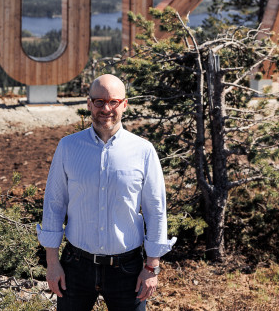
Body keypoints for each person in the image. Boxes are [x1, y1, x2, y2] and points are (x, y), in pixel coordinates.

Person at [37, 74, 176, 310]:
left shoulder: (143, 151)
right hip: (75, 266)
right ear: (89, 104)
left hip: (127, 270)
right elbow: (54, 204)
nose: (106, 108)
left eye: (113, 101)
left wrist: (151, 266)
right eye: (99, 102)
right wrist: (52, 262)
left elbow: (156, 210)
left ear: (124, 104)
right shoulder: (68, 147)